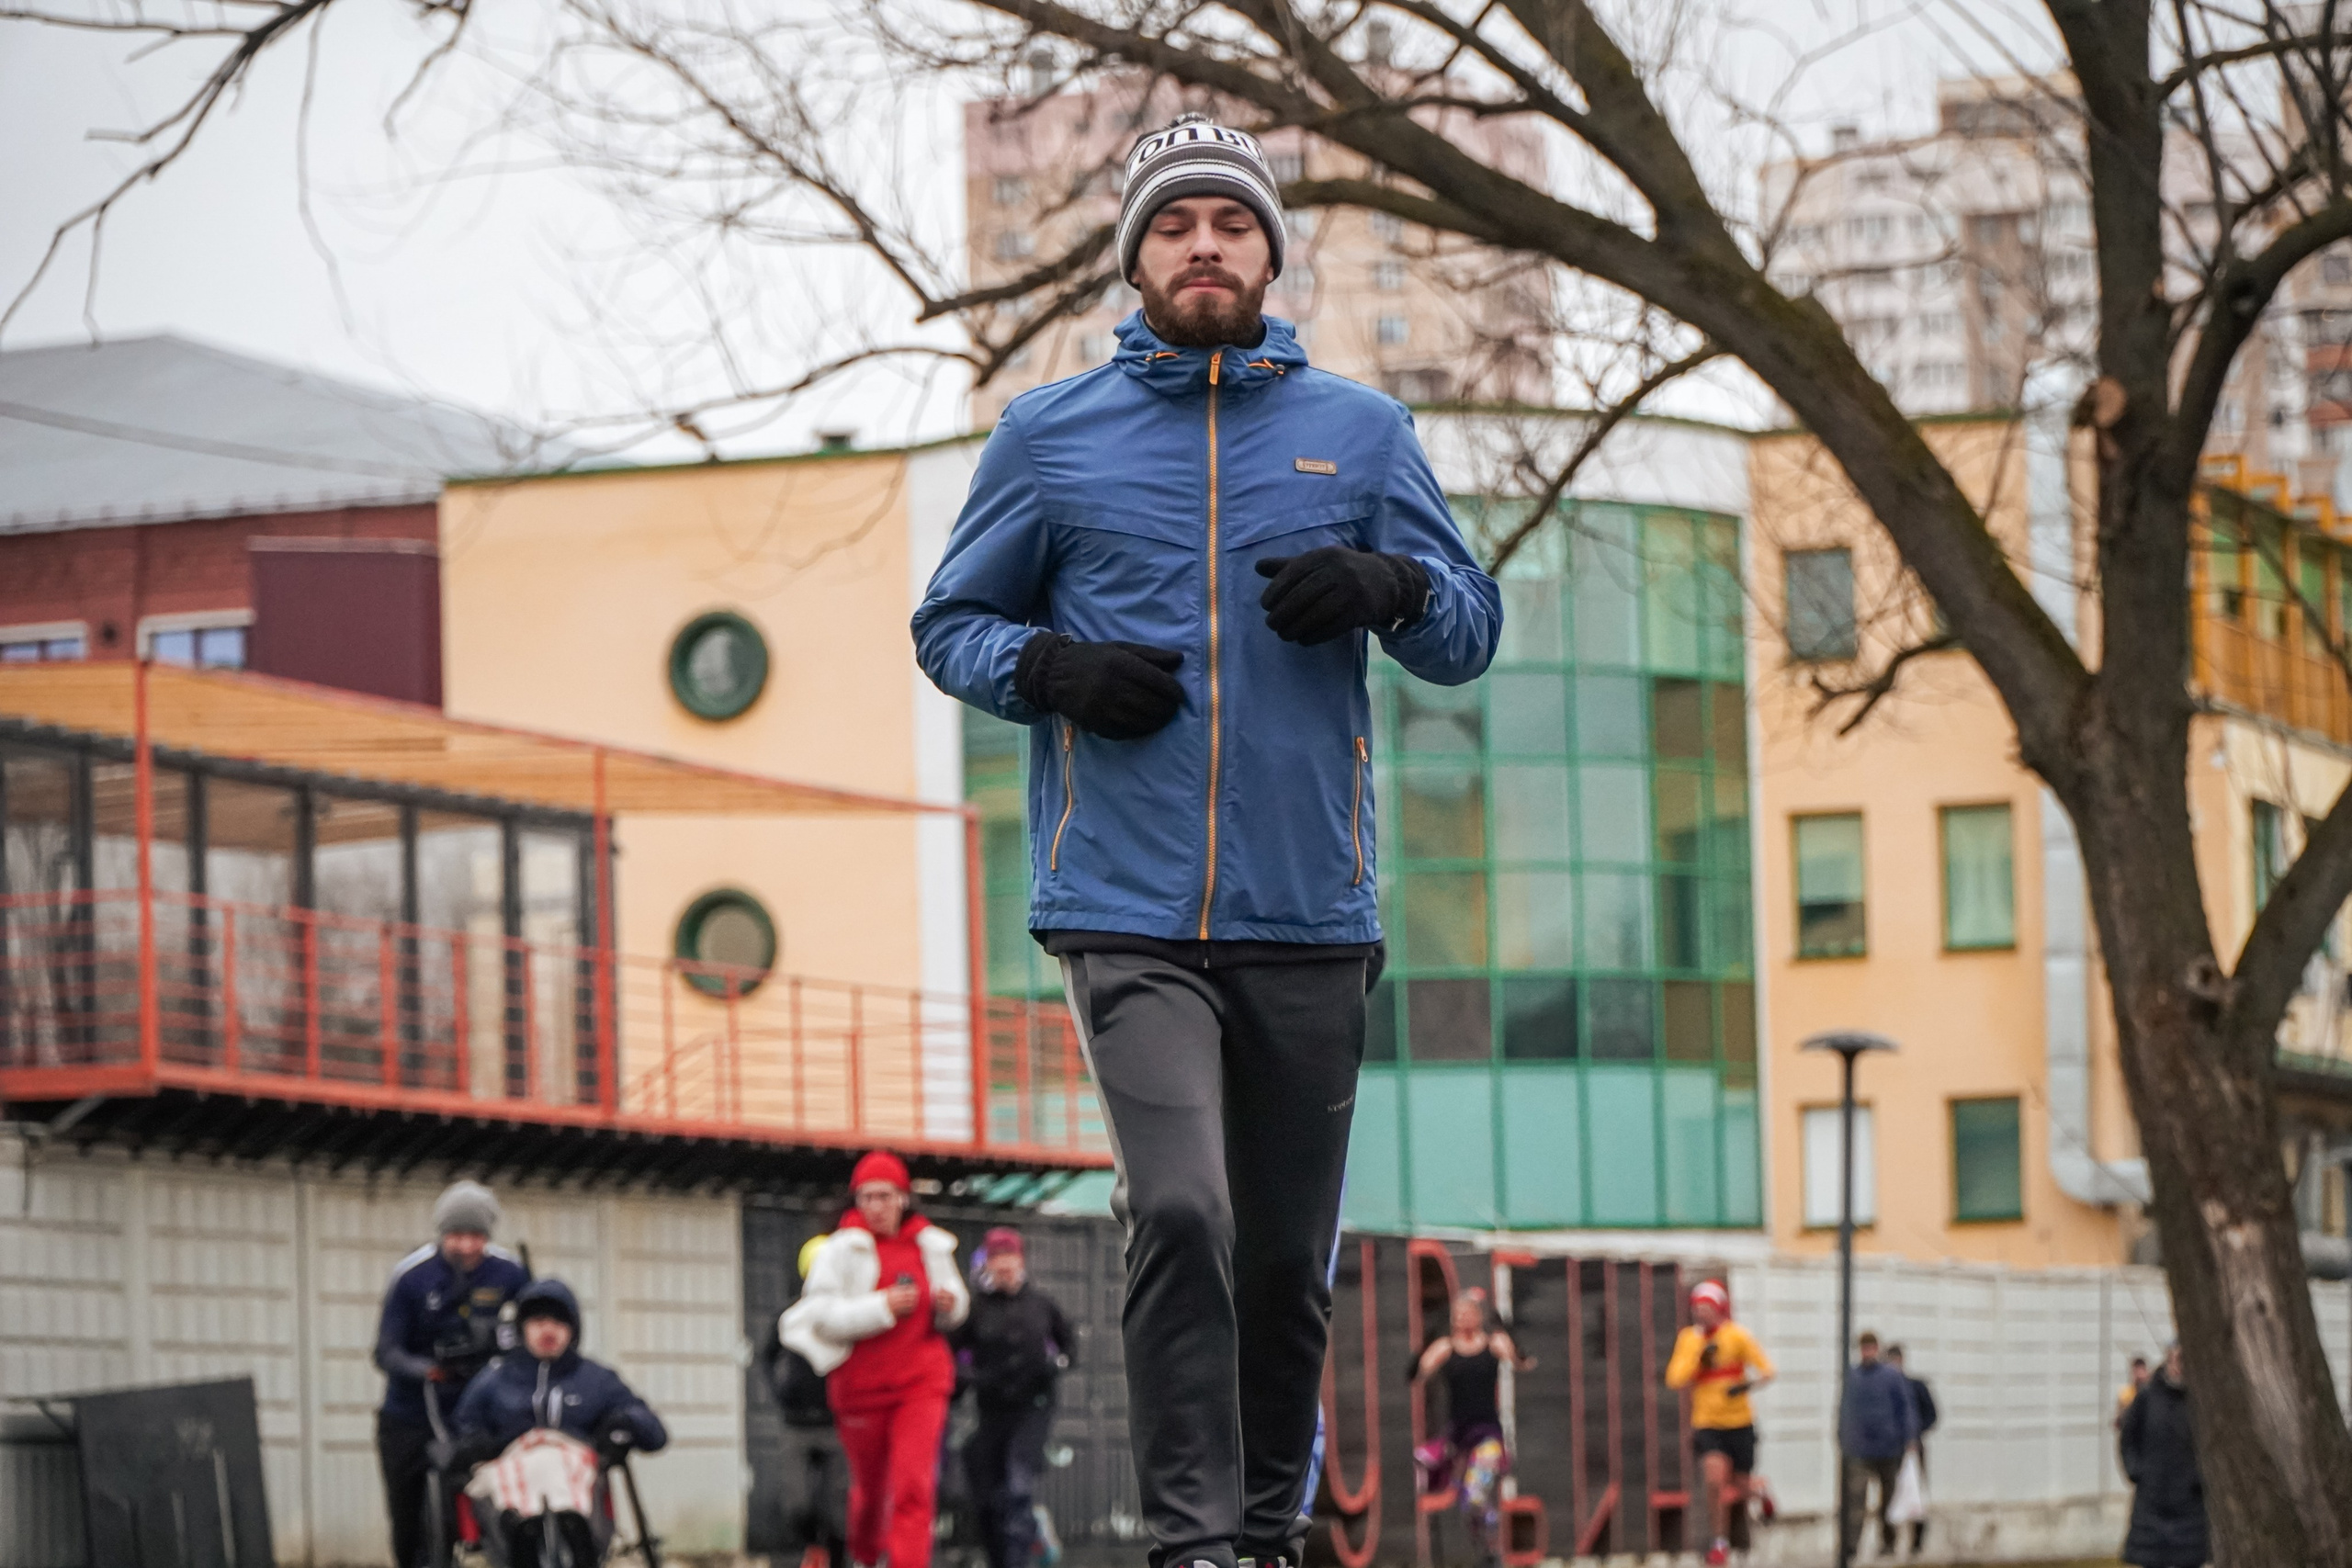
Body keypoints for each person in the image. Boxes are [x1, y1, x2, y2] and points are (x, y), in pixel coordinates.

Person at [912, 111, 1499, 1568]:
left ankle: (1258, 1527)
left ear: (1268, 252)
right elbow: (950, 624)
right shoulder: (1049, 439)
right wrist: (1049, 670)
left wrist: (1387, 580)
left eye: (1230, 224)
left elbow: (1469, 629)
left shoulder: (1361, 433)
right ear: (1137, 257)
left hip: (1311, 906)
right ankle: (1191, 1542)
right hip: (1122, 900)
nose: (1204, 247)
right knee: (1181, 1207)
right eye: (1174, 226)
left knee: (1292, 1257)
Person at [783, 1151, 972, 1568]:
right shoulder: (839, 1249)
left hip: (922, 1382)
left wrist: (949, 1304)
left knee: (913, 1486)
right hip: (861, 1390)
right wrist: (882, 1307)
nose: (876, 1207)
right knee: (870, 1492)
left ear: (904, 1198)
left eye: (885, 1196)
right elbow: (822, 1318)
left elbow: (957, 1307)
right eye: (867, 1197)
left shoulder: (931, 1244)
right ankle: (866, 1556)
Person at [443, 1278, 669, 1563]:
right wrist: (476, 1444)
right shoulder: (494, 1379)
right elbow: (463, 1427)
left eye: (559, 1322)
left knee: (557, 1466)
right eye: (538, 1321)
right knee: (499, 1475)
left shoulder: (596, 1379)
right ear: (522, 1328)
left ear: (572, 1330)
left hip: (574, 1462)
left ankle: (569, 1532)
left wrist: (622, 1424)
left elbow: (655, 1434)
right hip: (510, 1462)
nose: (548, 1330)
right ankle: (524, 1534)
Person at [374, 1180, 531, 1568]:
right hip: (413, 1415)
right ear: (442, 1234)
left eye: (476, 1236)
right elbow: (386, 1351)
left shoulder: (510, 1273)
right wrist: (429, 1370)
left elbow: (534, 1333)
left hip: (480, 1414)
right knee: (410, 1520)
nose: (466, 1246)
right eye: (457, 1236)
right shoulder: (411, 1277)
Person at [955, 1227, 1076, 1568]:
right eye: (996, 1258)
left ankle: (1019, 1559)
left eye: (1009, 1257)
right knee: (988, 1497)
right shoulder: (975, 1309)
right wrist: (968, 1377)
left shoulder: (1042, 1305)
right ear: (987, 1264)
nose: (1004, 1265)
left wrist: (1055, 1365)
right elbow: (952, 1353)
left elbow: (1069, 1347)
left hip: (1033, 1408)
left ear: (1020, 1261)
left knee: (1017, 1485)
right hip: (991, 1411)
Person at [1412, 1289, 1534, 1567]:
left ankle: (1492, 1550)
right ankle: (1485, 1547)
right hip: (1458, 1435)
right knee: (1434, 1475)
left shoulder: (1493, 1344)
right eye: (1458, 1315)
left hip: (1487, 1433)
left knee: (1476, 1494)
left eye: (1468, 1313)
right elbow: (1419, 1370)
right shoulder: (1445, 1347)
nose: (1462, 1319)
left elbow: (1519, 1360)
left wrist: (1513, 1346)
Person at [1664, 1280, 1777, 1567]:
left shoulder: (1737, 1336)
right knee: (1714, 1480)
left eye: (1707, 1308)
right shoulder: (1689, 1339)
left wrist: (1744, 1387)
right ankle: (1719, 1542)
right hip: (1707, 1421)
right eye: (1697, 1309)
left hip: (1739, 1420)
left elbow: (1767, 1370)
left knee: (1740, 1483)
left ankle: (1760, 1490)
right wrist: (1699, 1360)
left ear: (1719, 1310)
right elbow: (1675, 1379)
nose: (1701, 1314)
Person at [763, 1233, 850, 1568]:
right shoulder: (790, 1316)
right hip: (797, 1423)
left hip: (836, 1424)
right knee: (796, 1502)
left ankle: (837, 1559)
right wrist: (780, 1392)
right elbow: (767, 1356)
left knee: (838, 1507)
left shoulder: (847, 1316)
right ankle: (813, 1545)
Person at [2120, 1342, 2209, 1568]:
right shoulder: (2148, 1397)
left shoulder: (2201, 1400)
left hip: (2190, 1506)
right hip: (2152, 1503)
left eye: (2183, 1360)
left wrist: (2199, 1479)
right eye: (2174, 1359)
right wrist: (2136, 1471)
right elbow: (2128, 1437)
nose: (2178, 1366)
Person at [1838, 1331, 1919, 1560]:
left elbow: (1905, 1407)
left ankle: (1889, 1542)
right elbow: (1843, 1409)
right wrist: (1843, 1439)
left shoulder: (1891, 1377)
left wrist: (1909, 1438)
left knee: (1889, 1502)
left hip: (1888, 1448)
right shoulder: (1853, 1376)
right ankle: (1852, 1545)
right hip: (1859, 1450)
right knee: (1856, 1501)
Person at [1885, 1345, 1937, 1555]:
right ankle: (1890, 1541)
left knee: (1916, 1493)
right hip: (1891, 1448)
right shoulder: (1887, 1389)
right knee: (1889, 1493)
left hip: (1913, 1447)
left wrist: (1915, 1434)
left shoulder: (1914, 1386)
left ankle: (1917, 1539)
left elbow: (1931, 1415)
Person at [2115, 1355, 2151, 1429]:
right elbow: (2118, 1421)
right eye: (2136, 1372)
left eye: (2142, 1372)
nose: (2139, 1376)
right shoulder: (2125, 1394)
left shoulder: (2153, 1393)